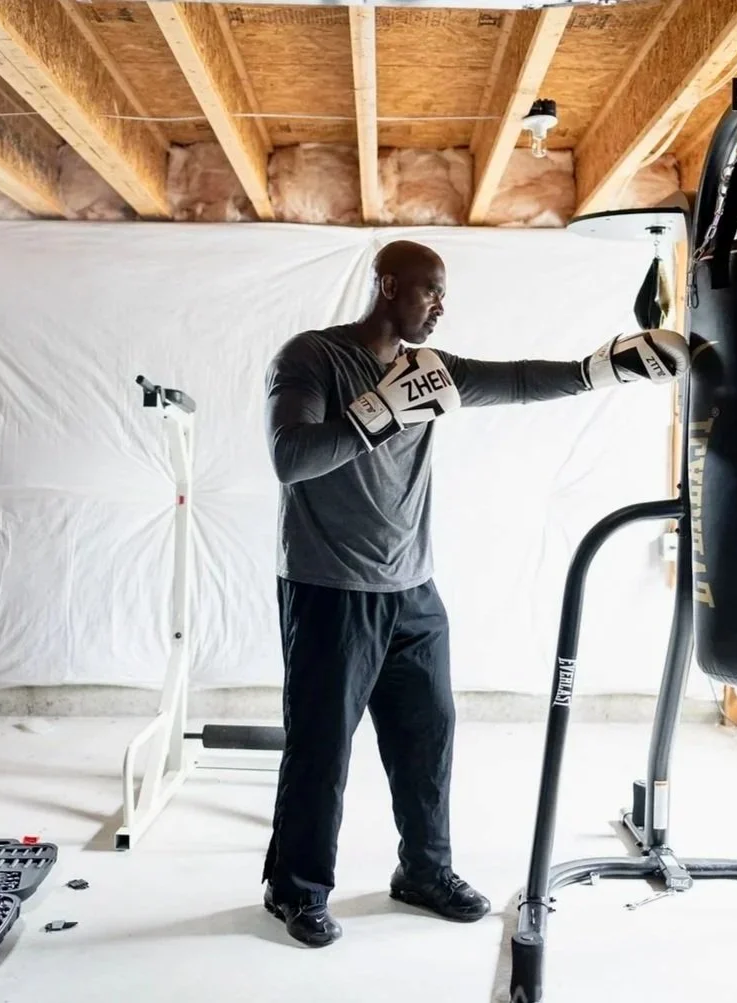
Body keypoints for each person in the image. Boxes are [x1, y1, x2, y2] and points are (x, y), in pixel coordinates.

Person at [260, 239, 686, 947]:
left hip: (413, 588)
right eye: (429, 291)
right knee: (322, 745)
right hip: (329, 586)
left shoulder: (430, 370)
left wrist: (598, 369)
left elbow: (514, 379)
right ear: (388, 285)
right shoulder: (311, 357)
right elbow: (290, 456)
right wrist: (378, 412)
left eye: (444, 294)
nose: (440, 306)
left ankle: (424, 870)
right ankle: (295, 889)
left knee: (429, 734)